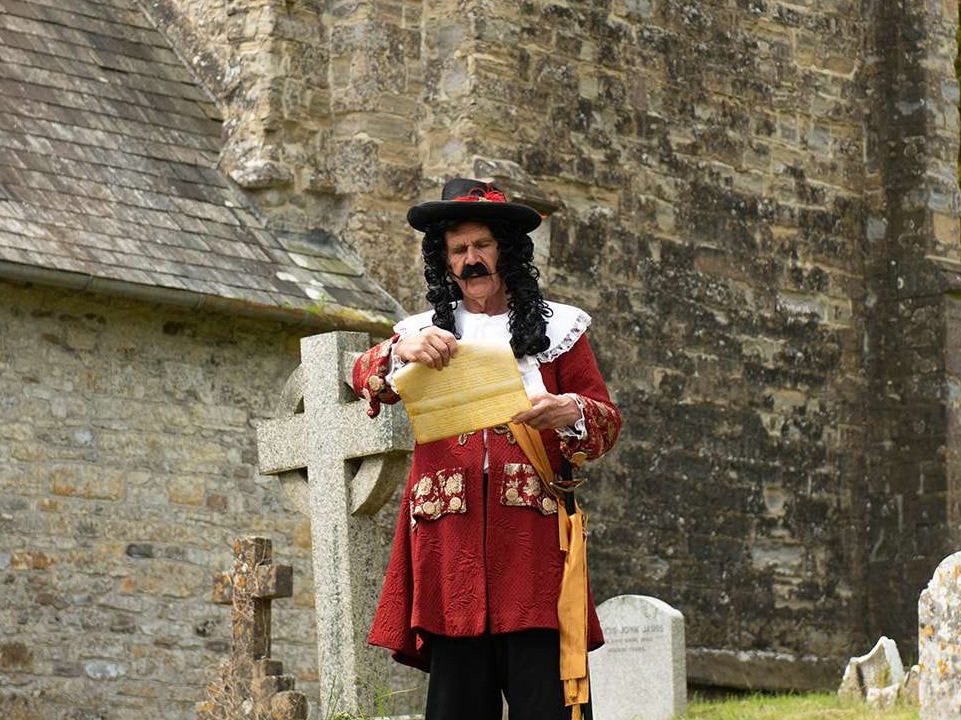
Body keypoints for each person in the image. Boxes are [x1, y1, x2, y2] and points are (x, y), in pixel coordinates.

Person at [351, 178, 622, 720]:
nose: (472, 260)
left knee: (545, 704)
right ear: (445, 261)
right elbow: (364, 379)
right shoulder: (419, 334)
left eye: (482, 246)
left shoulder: (560, 329)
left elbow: (606, 422)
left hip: (533, 551)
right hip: (449, 553)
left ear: (506, 250)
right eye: (459, 250)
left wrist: (569, 411)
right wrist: (395, 350)